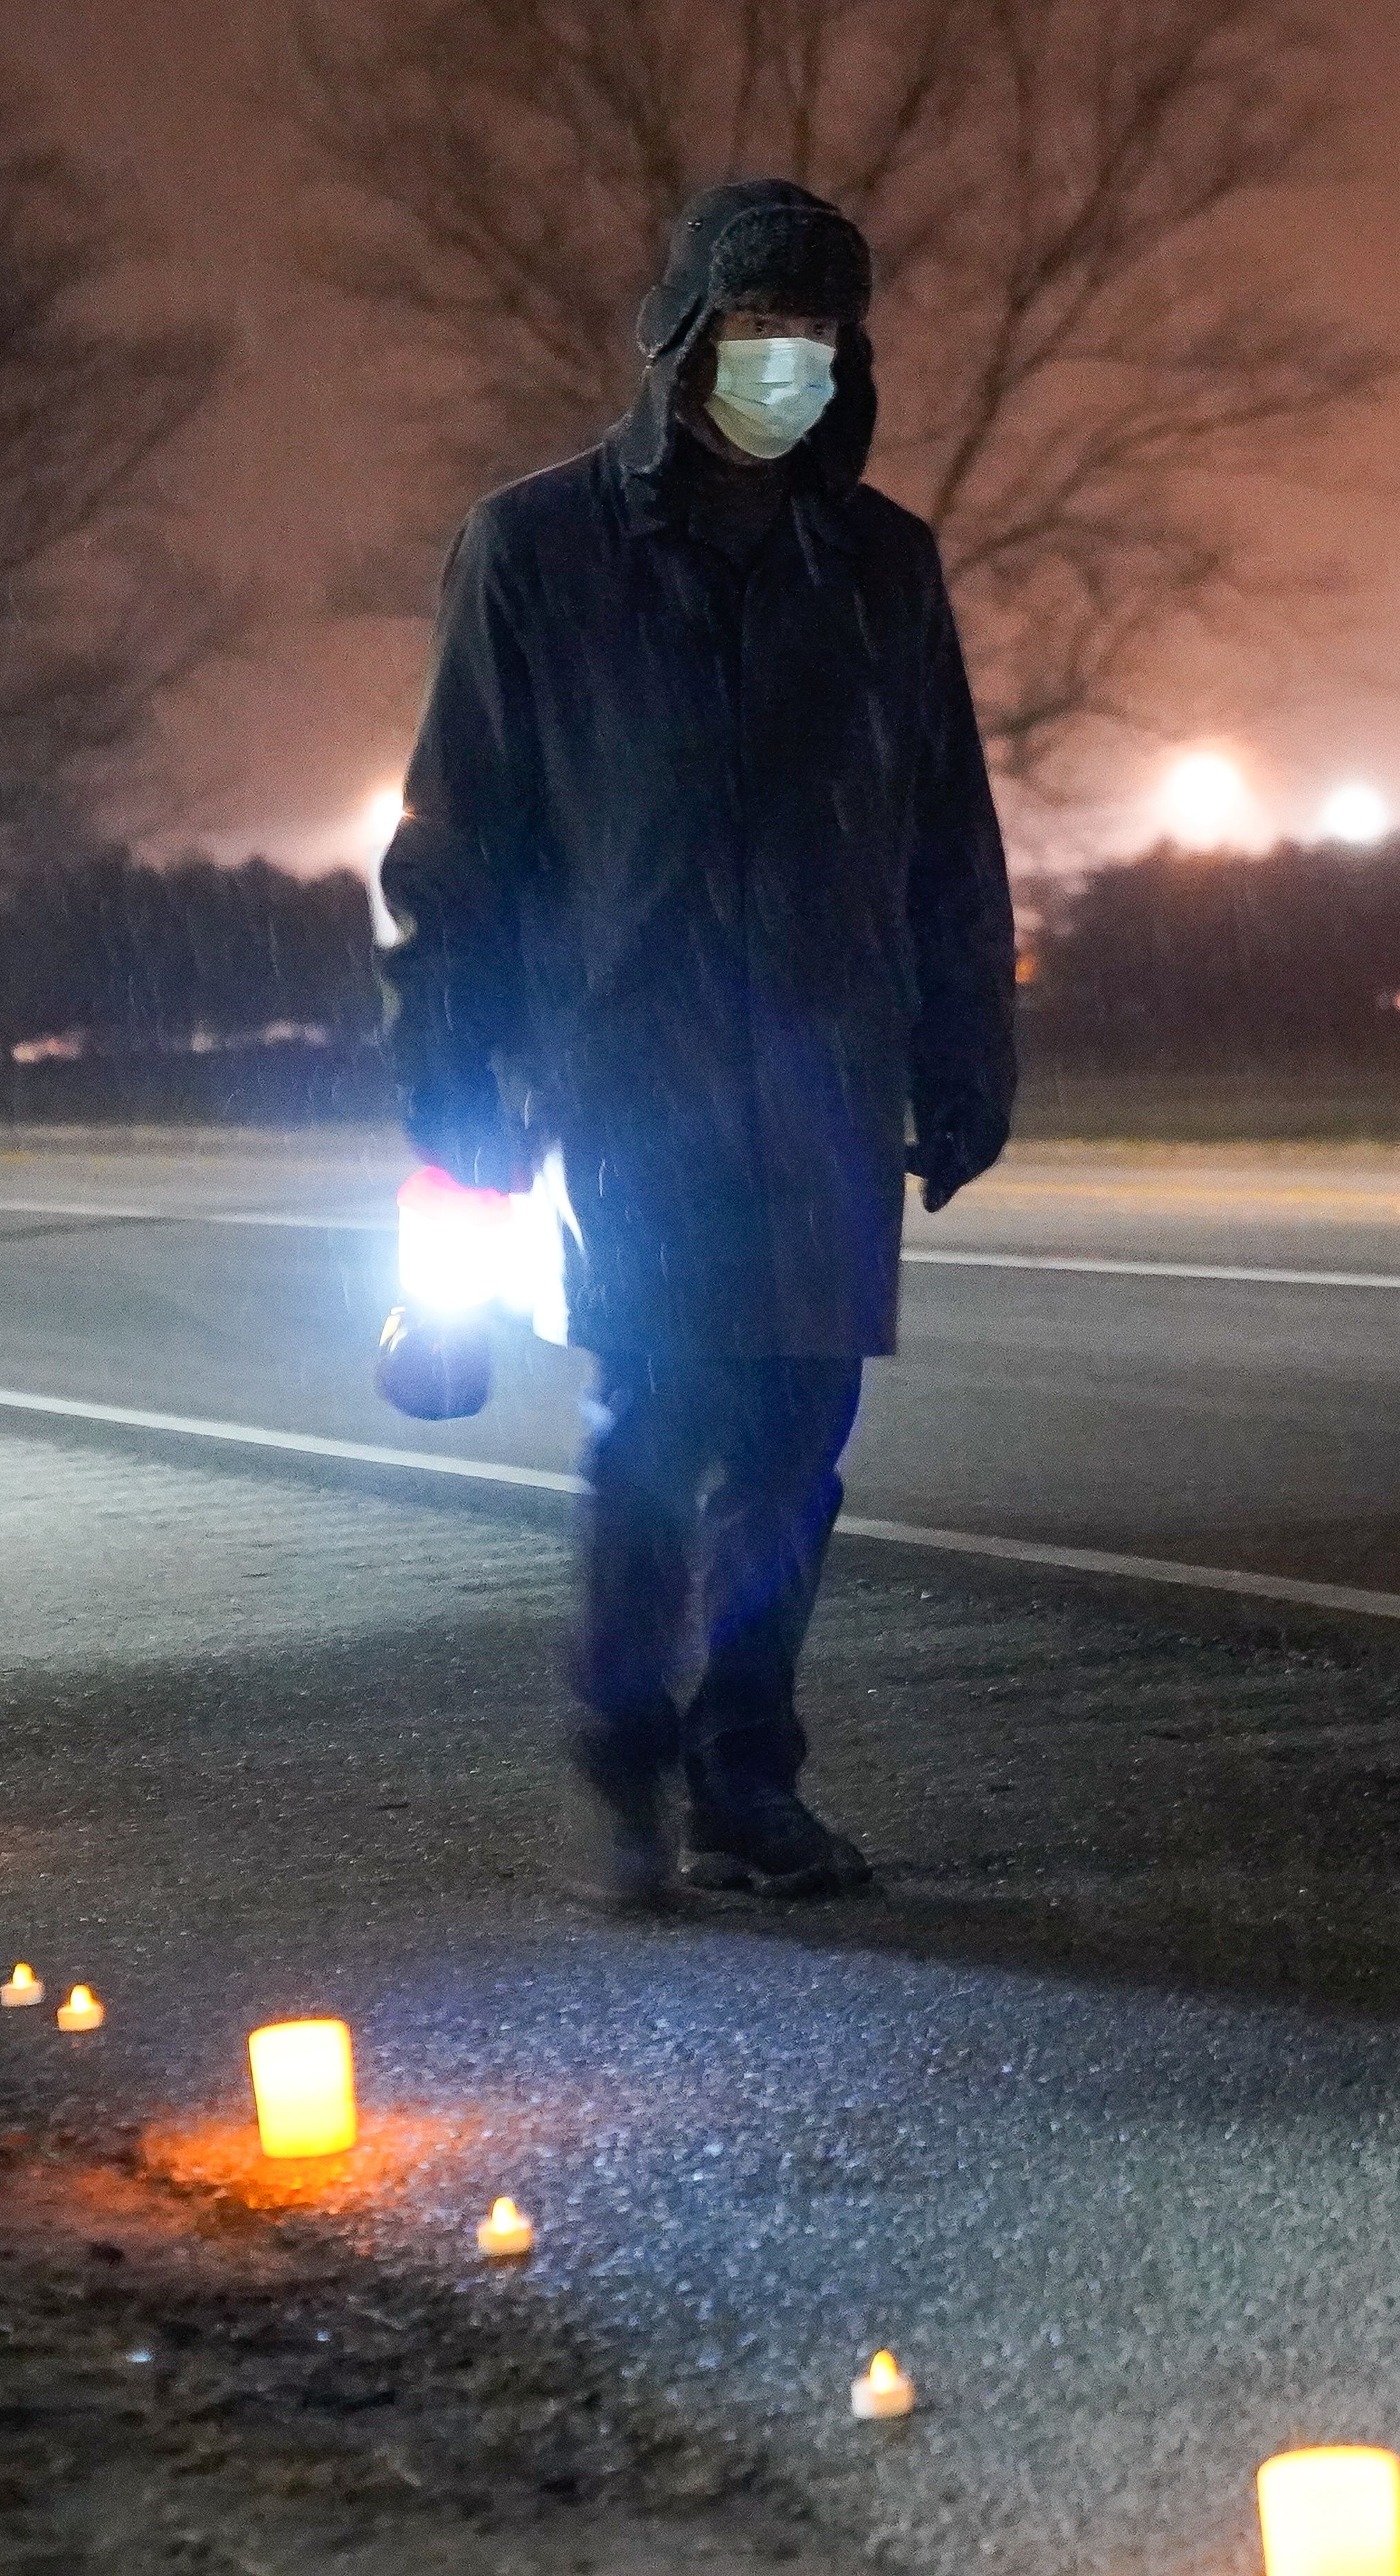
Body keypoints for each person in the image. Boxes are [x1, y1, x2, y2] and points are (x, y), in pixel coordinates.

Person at [377, 176, 1016, 1906]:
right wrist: (453, 1062)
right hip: (628, 1071)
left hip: (823, 1072)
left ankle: (747, 1772)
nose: (784, 364)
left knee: (798, 1438)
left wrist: (967, 1044)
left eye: (817, 333)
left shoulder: (881, 567)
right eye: (755, 329)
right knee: (660, 1414)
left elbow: (946, 825)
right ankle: (625, 1746)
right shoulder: (537, 552)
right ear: (683, 337)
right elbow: (463, 837)